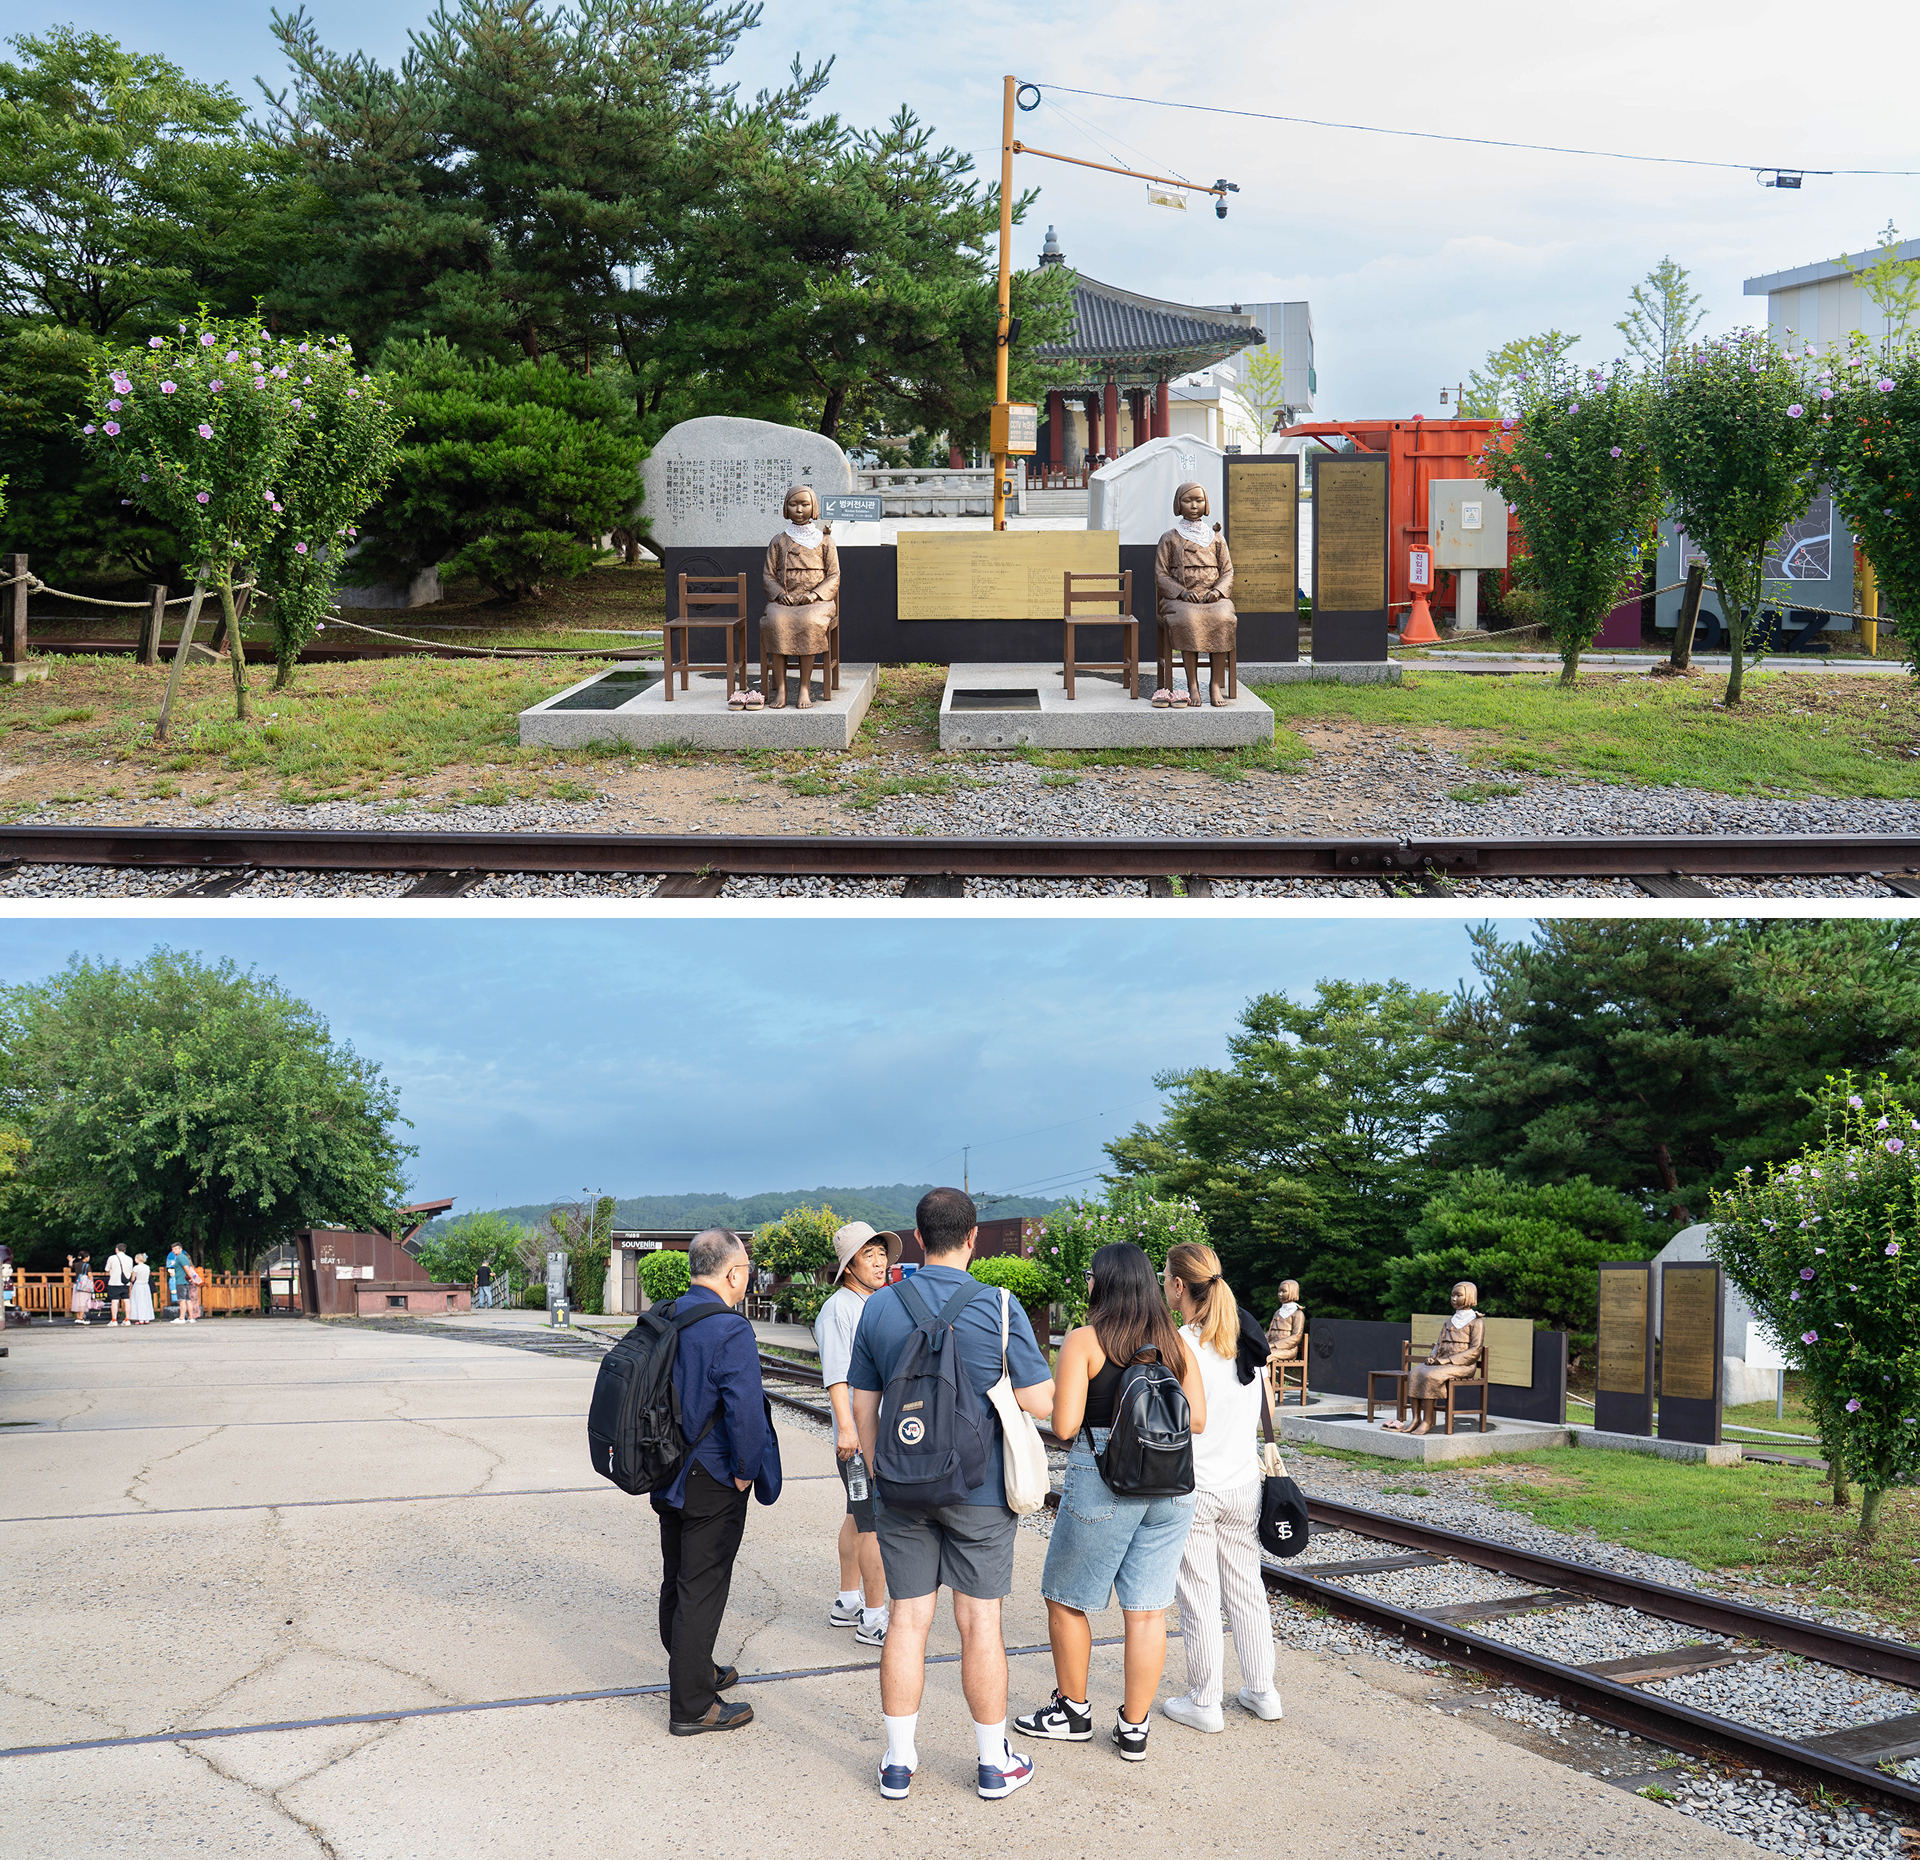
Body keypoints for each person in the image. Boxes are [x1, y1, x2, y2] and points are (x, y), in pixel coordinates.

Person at [849, 1187, 1054, 1803]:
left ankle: (897, 1762)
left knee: (907, 1620)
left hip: (901, 1488)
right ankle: (993, 1763)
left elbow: (863, 1405)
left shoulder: (879, 1308)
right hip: (980, 1490)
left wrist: (882, 1474)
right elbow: (1041, 1402)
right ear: (972, 1238)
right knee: (979, 1622)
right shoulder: (999, 1305)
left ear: (917, 1239)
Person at [1015, 1243, 1204, 1765]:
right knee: (1146, 1612)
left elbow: (1064, 1425)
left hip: (1104, 1478)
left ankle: (1073, 1713)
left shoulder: (1085, 1339)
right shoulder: (1175, 1342)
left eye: (1090, 1275)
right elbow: (1198, 1420)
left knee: (1066, 1598)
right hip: (1170, 1486)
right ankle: (1134, 1729)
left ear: (1103, 1282)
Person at [652, 1228, 781, 1736]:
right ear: (732, 1274)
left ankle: (695, 1667)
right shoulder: (729, 1329)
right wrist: (746, 1471)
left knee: (678, 1577)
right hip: (712, 1475)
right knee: (701, 1588)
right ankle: (692, 1706)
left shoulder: (667, 1315)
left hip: (666, 1467)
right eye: (746, 1270)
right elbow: (745, 1412)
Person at [1161, 1242, 1284, 1732]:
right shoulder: (1245, 1336)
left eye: (1165, 1277)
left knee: (1199, 1596)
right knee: (1247, 1588)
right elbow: (1266, 1406)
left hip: (1195, 1487)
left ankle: (1205, 1701)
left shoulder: (1179, 1345)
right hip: (1242, 1483)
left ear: (1178, 1286)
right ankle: (1263, 1691)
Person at [814, 1220, 900, 1648]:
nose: (880, 1261)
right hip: (860, 1439)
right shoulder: (839, 1309)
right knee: (874, 1525)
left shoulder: (872, 1303)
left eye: (882, 1253)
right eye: (869, 1255)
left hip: (872, 1433)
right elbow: (837, 1377)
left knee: (857, 1514)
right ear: (849, 1267)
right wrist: (848, 1433)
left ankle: (848, 1602)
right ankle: (874, 1617)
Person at [1384, 1281, 1483, 1437]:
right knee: (1415, 1372)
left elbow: (1475, 1350)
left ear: (1470, 1296)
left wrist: (1446, 1360)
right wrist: (1432, 1357)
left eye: (1459, 1295)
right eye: (1452, 1295)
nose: (1454, 1298)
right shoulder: (1449, 1321)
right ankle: (1416, 1418)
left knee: (1431, 1375)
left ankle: (1428, 1421)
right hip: (1441, 1363)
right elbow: (1439, 1344)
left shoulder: (1476, 1322)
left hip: (1463, 1366)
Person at [103, 1242, 133, 1327]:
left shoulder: (112, 1258)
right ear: (125, 1250)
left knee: (114, 1301)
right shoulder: (130, 1259)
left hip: (114, 1282)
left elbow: (107, 1269)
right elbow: (130, 1271)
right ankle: (127, 1319)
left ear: (116, 1249)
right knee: (126, 1300)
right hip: (125, 1282)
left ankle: (114, 1320)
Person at [165, 1245, 191, 1324]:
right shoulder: (185, 1257)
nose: (174, 1250)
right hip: (185, 1281)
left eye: (176, 1249)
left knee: (181, 1300)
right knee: (188, 1300)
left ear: (180, 1249)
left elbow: (186, 1268)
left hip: (181, 1281)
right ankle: (190, 1317)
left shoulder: (180, 1257)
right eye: (173, 1249)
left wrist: (190, 1277)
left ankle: (181, 1318)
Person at [68, 1253, 95, 1325]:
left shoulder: (76, 1264)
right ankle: (81, 1318)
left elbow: (70, 1265)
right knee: (84, 1302)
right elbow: (90, 1275)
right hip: (84, 1285)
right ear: (85, 1257)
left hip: (77, 1284)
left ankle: (78, 1317)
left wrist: (70, 1260)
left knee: (77, 1301)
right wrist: (92, 1283)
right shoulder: (87, 1265)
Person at [129, 1253, 155, 1325]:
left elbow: (133, 1278)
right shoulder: (147, 1267)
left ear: (138, 1259)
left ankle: (140, 1319)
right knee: (146, 1301)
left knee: (138, 1302)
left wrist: (131, 1282)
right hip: (145, 1285)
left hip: (138, 1285)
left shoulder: (136, 1268)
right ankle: (147, 1319)